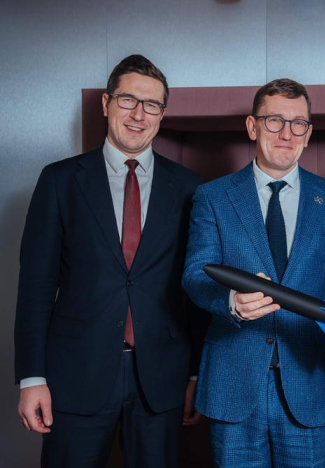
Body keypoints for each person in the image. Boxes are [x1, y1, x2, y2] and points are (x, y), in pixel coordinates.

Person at [14, 54, 204, 468]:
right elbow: (36, 288)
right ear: (106, 103)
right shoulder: (60, 181)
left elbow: (197, 287)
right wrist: (32, 377)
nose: (138, 114)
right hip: (75, 375)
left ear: (162, 113)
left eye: (151, 104)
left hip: (163, 377)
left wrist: (196, 374)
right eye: (128, 100)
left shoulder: (190, 188)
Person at [182, 78, 325, 467]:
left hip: (314, 384)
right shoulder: (213, 197)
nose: (287, 133)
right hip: (233, 383)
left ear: (308, 133)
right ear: (253, 127)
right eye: (274, 121)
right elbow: (196, 275)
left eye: (298, 123)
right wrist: (231, 302)